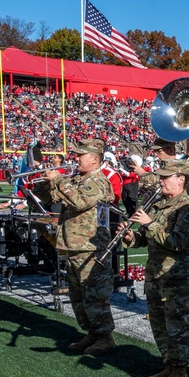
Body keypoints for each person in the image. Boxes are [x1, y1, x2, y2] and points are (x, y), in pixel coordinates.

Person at [123, 158, 189, 377]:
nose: (161, 181)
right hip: (156, 273)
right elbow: (146, 239)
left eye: (166, 177)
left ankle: (180, 371)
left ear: (181, 180)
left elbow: (176, 242)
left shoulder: (187, 207)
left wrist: (149, 224)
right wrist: (132, 238)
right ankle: (168, 365)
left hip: (177, 275)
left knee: (176, 325)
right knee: (159, 324)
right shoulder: (158, 204)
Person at [39, 139, 117, 355]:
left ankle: (105, 336)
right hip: (75, 244)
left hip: (91, 247)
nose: (75, 159)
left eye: (80, 156)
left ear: (94, 159)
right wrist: (45, 181)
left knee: (94, 293)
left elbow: (80, 202)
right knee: (78, 294)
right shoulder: (77, 179)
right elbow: (48, 197)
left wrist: (60, 181)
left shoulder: (98, 182)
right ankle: (92, 332)